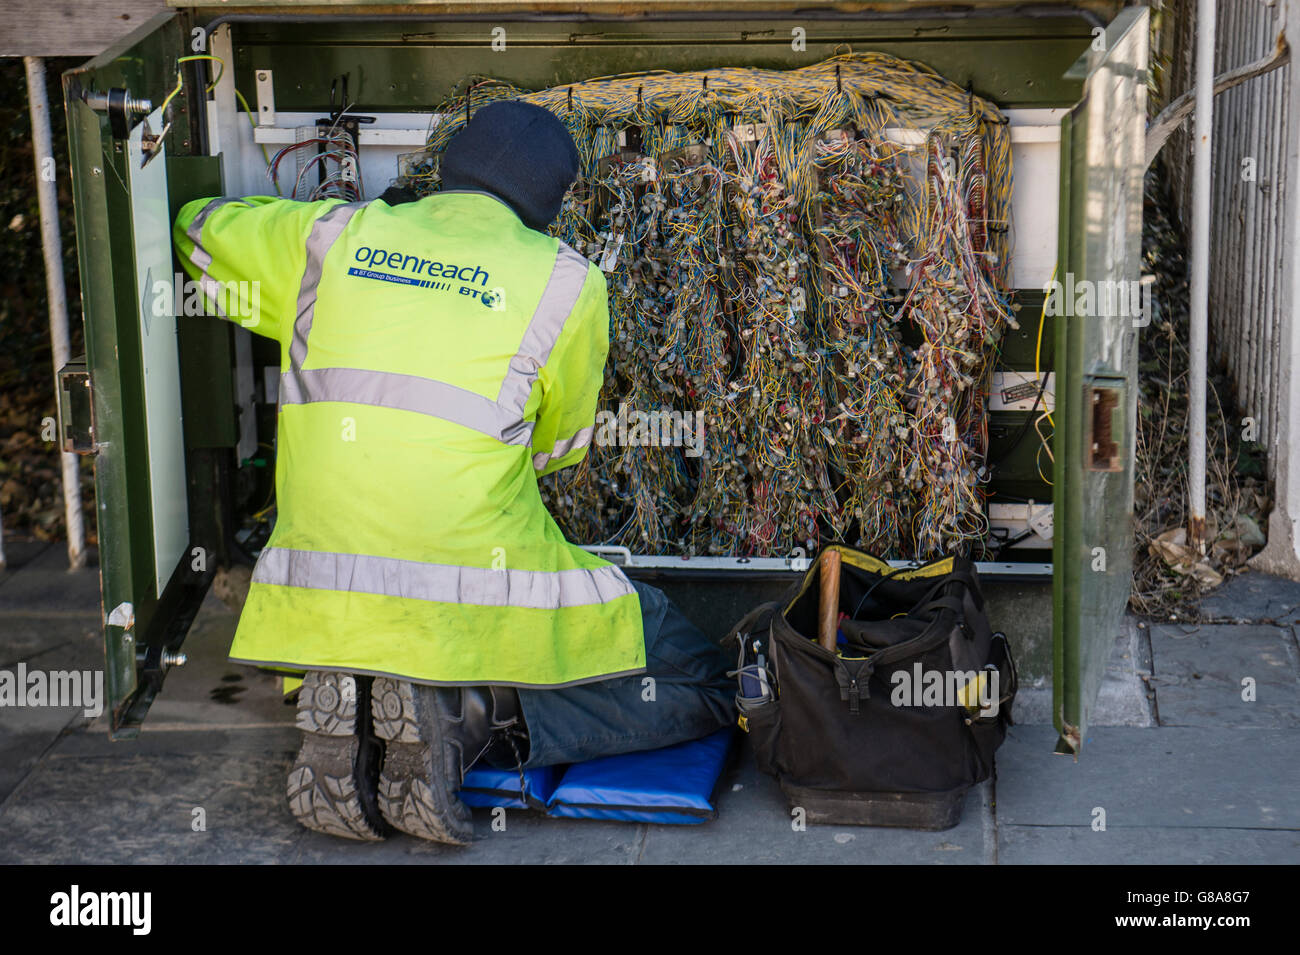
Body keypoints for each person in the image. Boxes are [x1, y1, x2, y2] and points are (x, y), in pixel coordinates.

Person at [172, 100, 734, 846]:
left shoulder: (331, 239)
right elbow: (557, 452)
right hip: (477, 588)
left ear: (446, 168)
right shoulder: (566, 283)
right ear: (549, 203)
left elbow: (196, 230)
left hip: (319, 597)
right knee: (700, 674)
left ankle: (363, 684)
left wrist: (359, 223)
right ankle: (473, 708)